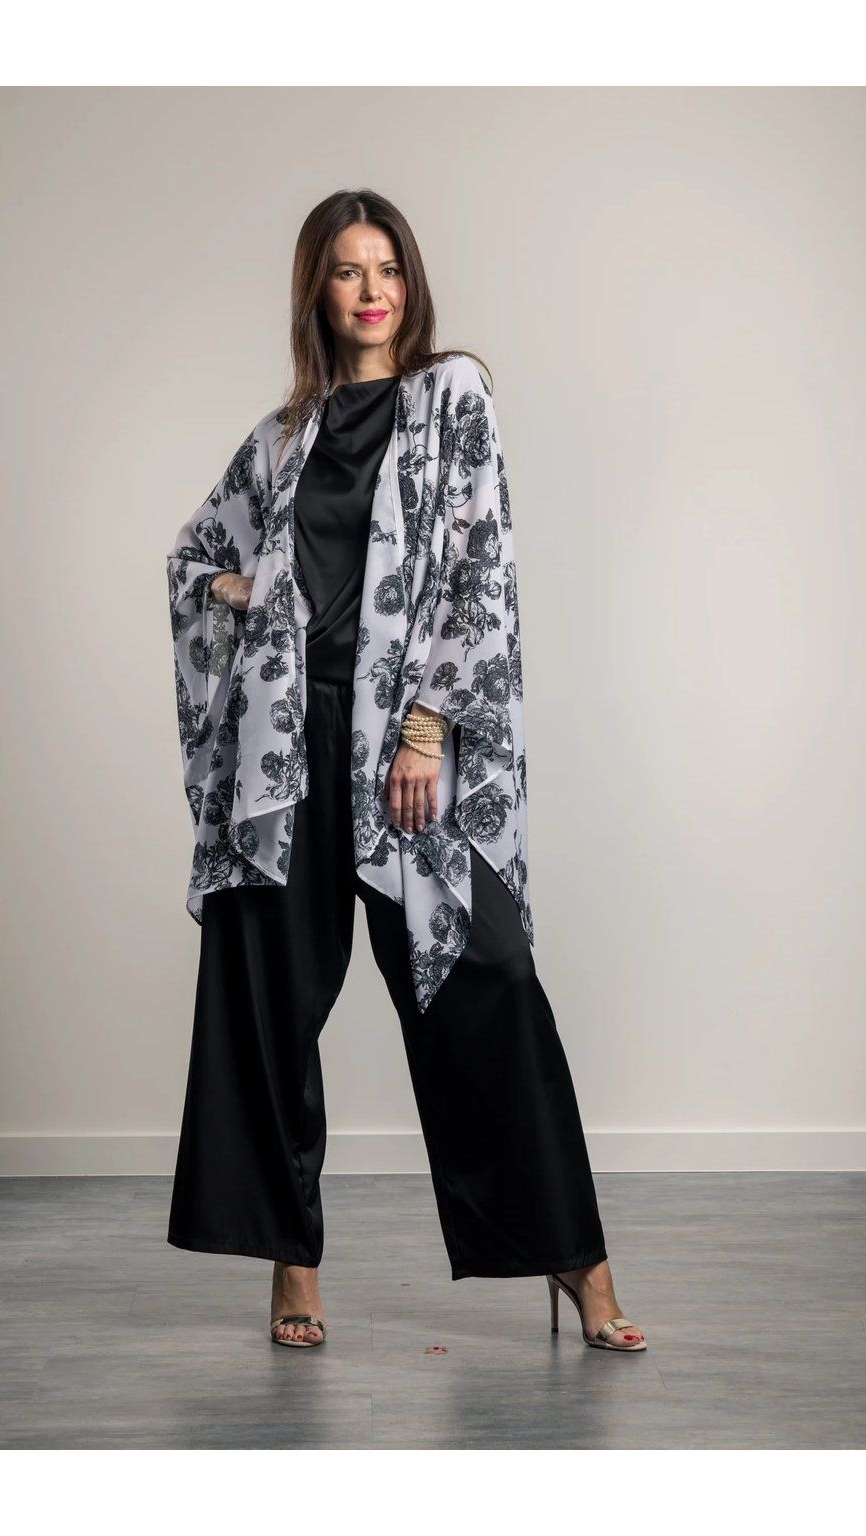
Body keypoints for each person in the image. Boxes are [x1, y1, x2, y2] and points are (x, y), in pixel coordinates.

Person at [164, 188, 646, 1355]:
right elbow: (192, 562)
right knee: (271, 1006)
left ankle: (574, 1259)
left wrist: (428, 724)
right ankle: (292, 1262)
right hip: (287, 755)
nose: (371, 290)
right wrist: (242, 590)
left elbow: (482, 562)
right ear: (316, 291)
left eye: (387, 268)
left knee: (489, 979)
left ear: (409, 284)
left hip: (403, 741)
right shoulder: (281, 440)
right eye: (347, 270)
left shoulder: (451, 397)